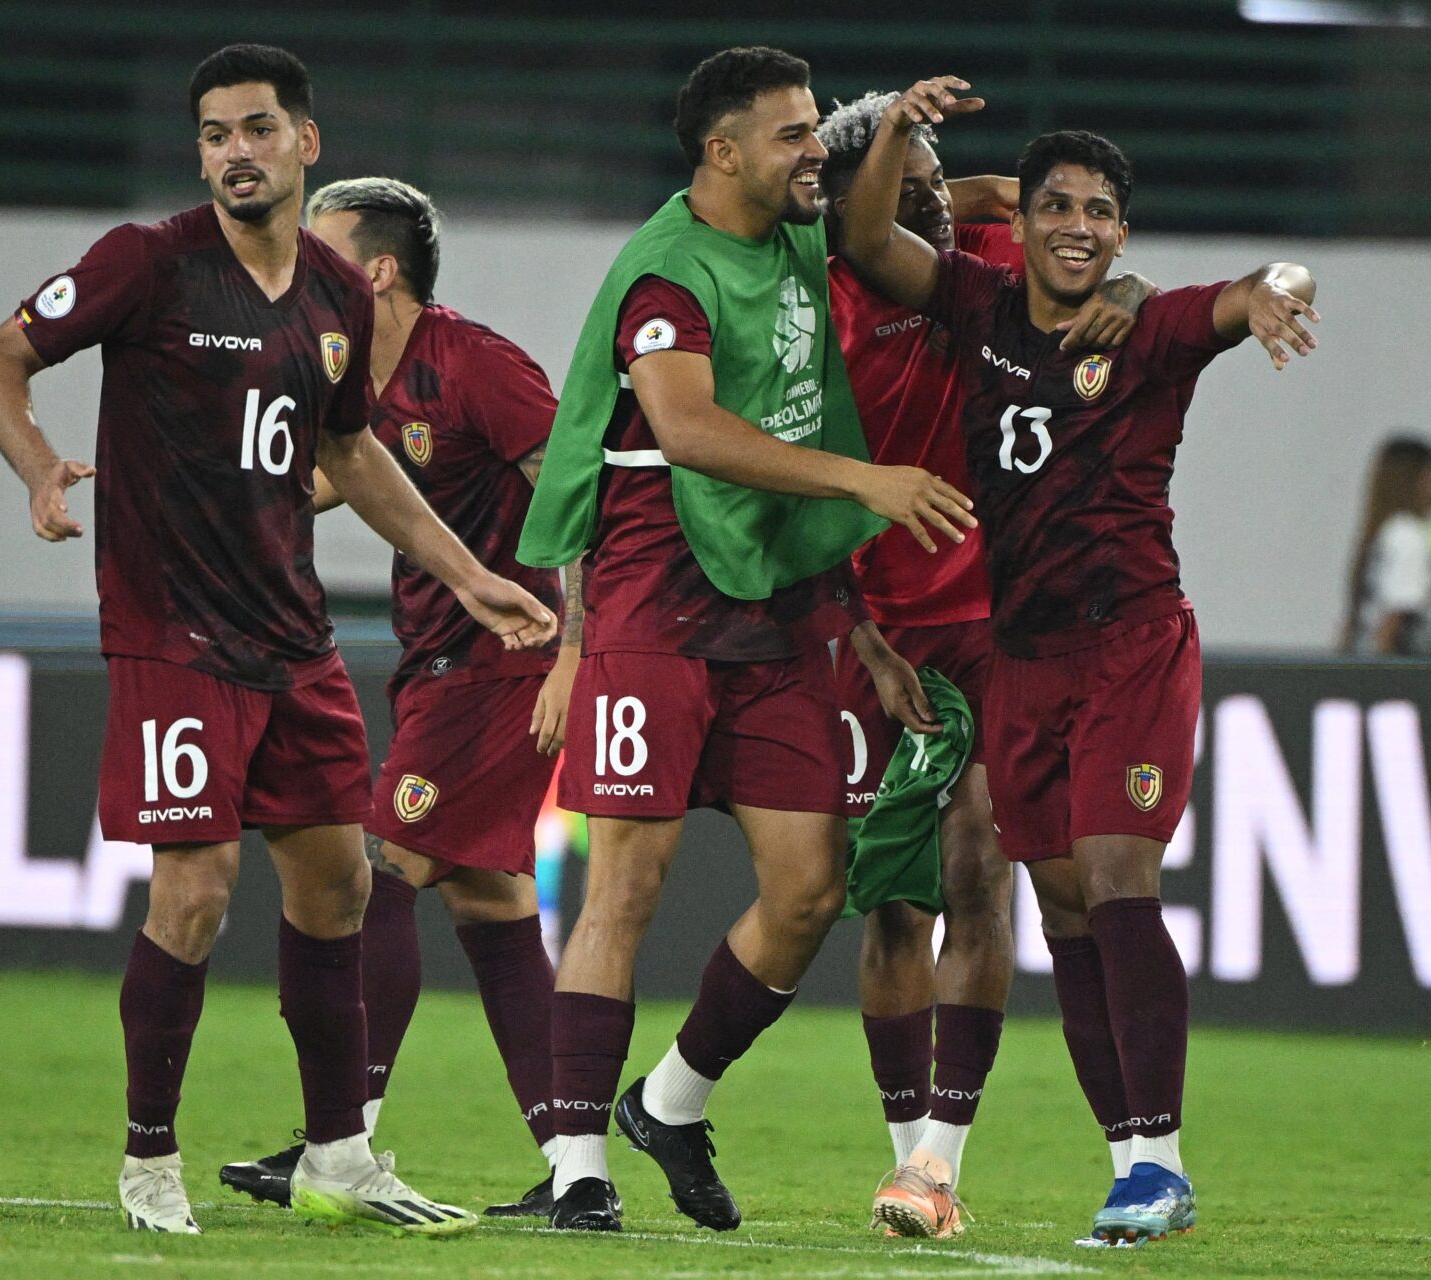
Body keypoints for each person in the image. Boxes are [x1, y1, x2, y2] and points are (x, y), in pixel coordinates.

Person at [0, 44, 556, 1236]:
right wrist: (37, 467)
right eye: (215, 135)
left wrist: (473, 574)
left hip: (292, 634)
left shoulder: (338, 297)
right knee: (196, 887)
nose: (235, 151)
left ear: (306, 142)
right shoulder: (146, 263)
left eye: (257, 129)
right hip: (173, 628)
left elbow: (349, 455)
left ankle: (340, 1152)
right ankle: (149, 1160)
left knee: (339, 881)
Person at [840, 77, 1321, 1245]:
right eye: (1058, 203)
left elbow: (1265, 281)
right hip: (1023, 659)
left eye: (1101, 211)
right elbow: (862, 239)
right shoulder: (980, 301)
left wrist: (1277, 299)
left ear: (1122, 232)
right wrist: (899, 125)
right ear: (1031, 215)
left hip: (1133, 644)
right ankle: (1133, 1168)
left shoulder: (1145, 326)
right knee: (1065, 916)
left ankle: (1161, 1157)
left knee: (1116, 877)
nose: (1077, 224)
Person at [516, 46, 973, 1233]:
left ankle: (667, 1100)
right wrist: (863, 480)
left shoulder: (796, 239)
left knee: (812, 885)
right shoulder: (666, 271)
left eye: (818, 129)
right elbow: (689, 426)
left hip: (772, 609)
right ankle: (576, 1166)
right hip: (653, 602)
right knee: (627, 881)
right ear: (723, 151)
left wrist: (911, 146)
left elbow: (895, 213)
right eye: (789, 134)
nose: (809, 150)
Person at [816, 89, 1148, 1238]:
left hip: (1003, 622)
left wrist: (1133, 291)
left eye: (936, 184)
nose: (933, 210)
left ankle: (939, 1160)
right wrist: (857, 630)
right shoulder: (819, 303)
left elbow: (1085, 242)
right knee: (894, 905)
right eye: (905, 193)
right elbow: (790, 481)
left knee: (978, 869)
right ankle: (906, 1145)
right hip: (879, 624)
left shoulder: (990, 257)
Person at [218, 176, 577, 1217]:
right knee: (494, 903)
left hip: (506, 659)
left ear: (375, 270)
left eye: (316, 253)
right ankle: (574, 1165)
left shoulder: (476, 363)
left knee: (387, 871)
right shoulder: (347, 378)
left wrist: (578, 654)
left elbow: (579, 493)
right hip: (440, 663)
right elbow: (337, 475)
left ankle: (343, 1138)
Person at [1340, 435, 1431, 656]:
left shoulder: (1390, 532)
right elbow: (1394, 621)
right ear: (1418, 480)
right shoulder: (1410, 537)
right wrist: (1387, 679)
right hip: (1405, 675)